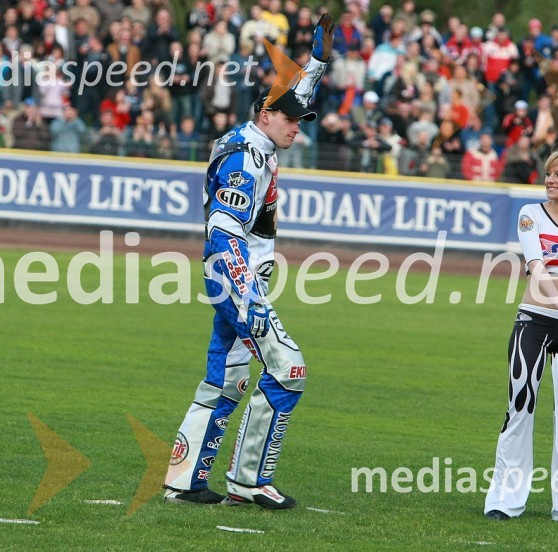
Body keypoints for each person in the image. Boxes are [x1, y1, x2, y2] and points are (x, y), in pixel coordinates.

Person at [163, 14, 335, 510]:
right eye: (290, 121)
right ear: (265, 115)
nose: (297, 129)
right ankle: (249, 480)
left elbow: (291, 94)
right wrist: (249, 297)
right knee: (289, 368)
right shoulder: (249, 159)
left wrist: (317, 63)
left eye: (300, 122)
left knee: (227, 380)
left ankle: (183, 478)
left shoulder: (254, 133)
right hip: (234, 275)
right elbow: (225, 230)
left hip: (232, 277)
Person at [485, 151, 558, 523]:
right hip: (534, 320)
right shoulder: (530, 215)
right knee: (521, 405)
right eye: (548, 173)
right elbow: (535, 265)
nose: (550, 180)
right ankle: (505, 499)